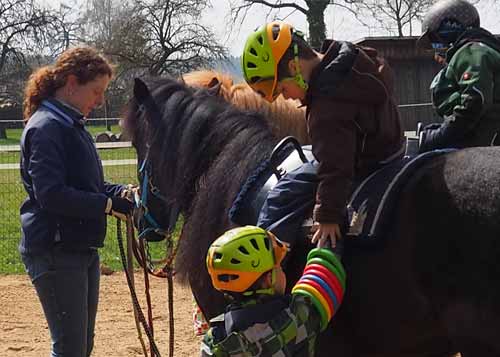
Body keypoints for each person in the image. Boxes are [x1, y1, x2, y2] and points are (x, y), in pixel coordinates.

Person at [241, 22, 404, 249]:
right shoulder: (355, 59)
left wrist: (328, 215)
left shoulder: (326, 106)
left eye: (283, 90)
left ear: (294, 66)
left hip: (364, 162)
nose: (287, 98)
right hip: (391, 149)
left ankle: (267, 264)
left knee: (284, 192)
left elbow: (335, 164)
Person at [19, 46, 135, 356]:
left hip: (77, 247)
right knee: (71, 348)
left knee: (80, 346)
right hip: (56, 250)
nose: (99, 101)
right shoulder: (47, 128)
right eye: (96, 91)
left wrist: (120, 193)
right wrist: (107, 206)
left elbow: (88, 185)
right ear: (72, 83)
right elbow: (51, 194)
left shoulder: (69, 125)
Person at [201, 225, 346, 356]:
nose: (282, 271)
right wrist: (331, 227)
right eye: (279, 267)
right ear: (269, 280)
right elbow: (324, 274)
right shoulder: (298, 315)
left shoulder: (214, 338)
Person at [417, 0, 500, 152]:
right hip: (484, 136)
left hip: (487, 141)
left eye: (436, 42)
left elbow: (475, 100)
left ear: (449, 26)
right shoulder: (478, 49)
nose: (437, 49)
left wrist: (443, 134)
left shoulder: (471, 51)